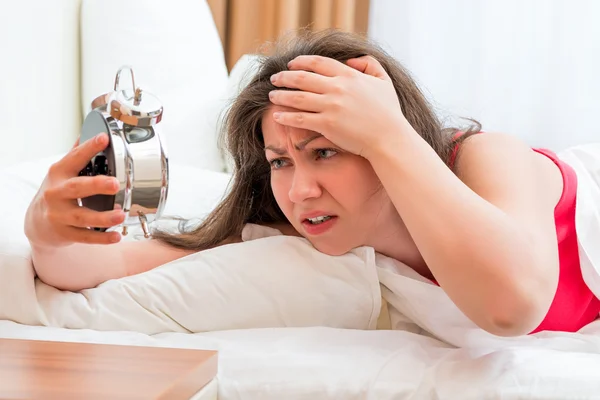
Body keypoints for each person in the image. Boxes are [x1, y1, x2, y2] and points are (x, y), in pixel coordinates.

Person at [24, 30, 599, 337]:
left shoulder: (485, 158)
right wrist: (46, 230)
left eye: (324, 152)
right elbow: (104, 269)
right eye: (280, 161)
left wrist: (387, 134)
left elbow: (512, 305)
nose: (299, 190)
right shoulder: (297, 223)